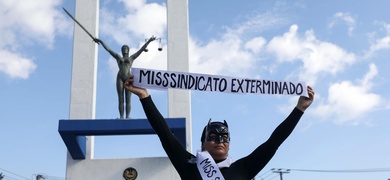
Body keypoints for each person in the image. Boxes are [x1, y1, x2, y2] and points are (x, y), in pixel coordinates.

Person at [124, 75, 315, 180]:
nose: (220, 141)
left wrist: (299, 109)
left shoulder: (244, 168)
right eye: (213, 137)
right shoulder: (188, 164)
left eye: (225, 138)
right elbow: (164, 133)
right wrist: (144, 96)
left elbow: (274, 142)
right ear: (203, 143)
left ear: (230, 144)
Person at [94, 36, 156, 119]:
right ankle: (121, 117)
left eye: (126, 48)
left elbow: (141, 50)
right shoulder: (118, 57)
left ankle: (127, 116)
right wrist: (101, 41)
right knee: (120, 98)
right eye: (123, 48)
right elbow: (108, 50)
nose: (124, 49)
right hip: (120, 77)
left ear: (128, 50)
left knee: (128, 98)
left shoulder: (131, 58)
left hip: (128, 77)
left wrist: (149, 41)